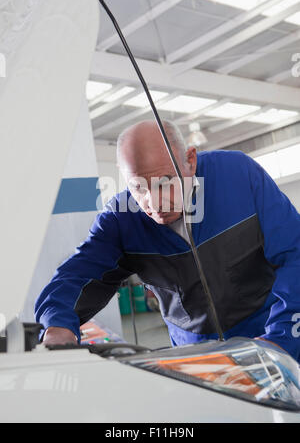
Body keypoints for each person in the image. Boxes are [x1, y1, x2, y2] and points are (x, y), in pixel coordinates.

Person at [35, 120, 300, 363]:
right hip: (197, 358)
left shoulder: (239, 176)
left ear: (190, 160)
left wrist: (282, 340)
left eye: (165, 182)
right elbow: (76, 276)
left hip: (270, 337)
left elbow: (295, 253)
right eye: (138, 186)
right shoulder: (121, 219)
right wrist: (57, 325)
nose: (153, 202)